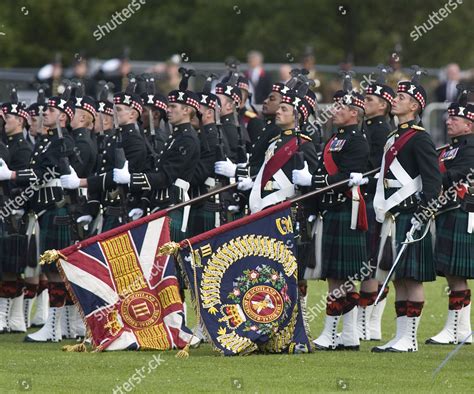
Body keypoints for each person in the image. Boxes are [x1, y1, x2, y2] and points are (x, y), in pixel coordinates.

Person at [364, 68, 442, 353]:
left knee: (412, 277)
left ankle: (409, 339)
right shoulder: (393, 135)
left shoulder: (420, 139)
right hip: (393, 215)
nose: (394, 100)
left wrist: (423, 213)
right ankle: (399, 335)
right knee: (397, 277)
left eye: (401, 97)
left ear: (414, 105)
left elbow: (432, 181)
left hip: (411, 214)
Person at [293, 73, 369, 351]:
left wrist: (314, 181)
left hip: (344, 210)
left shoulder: (357, 141)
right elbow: (326, 173)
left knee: (343, 275)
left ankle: (334, 331)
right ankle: (346, 334)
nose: (333, 111)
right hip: (329, 210)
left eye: (339, 107)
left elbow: (348, 176)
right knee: (336, 275)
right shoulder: (333, 139)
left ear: (353, 112)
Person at [0, 84, 76, 342]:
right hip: (44, 212)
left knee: (56, 270)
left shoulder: (63, 142)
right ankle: (54, 327)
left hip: (56, 210)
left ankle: (54, 328)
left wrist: (11, 175)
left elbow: (45, 174)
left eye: (51, 110)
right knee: (51, 269)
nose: (45, 113)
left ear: (63, 117)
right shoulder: (48, 142)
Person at [426, 89, 474, 345]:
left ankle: (453, 329)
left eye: (455, 119)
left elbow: (463, 173)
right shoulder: (450, 148)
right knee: (454, 274)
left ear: (469, 124)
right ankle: (462, 328)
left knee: (456, 273)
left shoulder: (471, 148)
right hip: (448, 212)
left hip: (462, 213)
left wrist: (431, 180)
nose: (448, 121)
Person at [357, 67, 396, 341]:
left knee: (371, 265)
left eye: (369, 100)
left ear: (383, 105)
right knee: (369, 264)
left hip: (373, 200)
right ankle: (368, 324)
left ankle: (369, 323)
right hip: (366, 200)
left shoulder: (382, 130)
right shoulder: (368, 128)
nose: (364, 103)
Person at [0, 92, 32, 334]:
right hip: (8, 206)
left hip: (13, 207)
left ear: (20, 120)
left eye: (9, 116)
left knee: (13, 265)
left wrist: (15, 206)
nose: (5, 120)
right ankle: (12, 317)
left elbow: (23, 181)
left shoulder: (21, 147)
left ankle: (11, 317)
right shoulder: (8, 144)